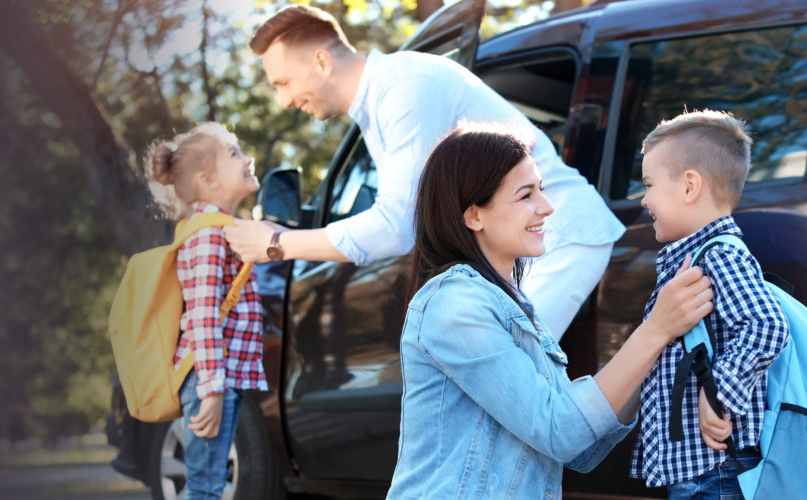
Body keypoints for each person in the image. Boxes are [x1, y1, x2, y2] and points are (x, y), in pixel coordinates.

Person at [222, 5, 624, 336]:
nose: (285, 99)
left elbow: (396, 225)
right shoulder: (381, 102)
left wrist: (277, 242)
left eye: (284, 82)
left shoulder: (404, 89)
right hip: (523, 250)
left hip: (558, 238)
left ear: (322, 61)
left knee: (506, 391)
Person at [386, 125, 715, 499]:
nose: (546, 206)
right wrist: (654, 330)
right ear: (474, 215)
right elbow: (560, 431)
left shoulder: (509, 302)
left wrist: (663, 342)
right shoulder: (455, 304)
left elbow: (581, 447)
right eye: (526, 195)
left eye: (541, 189)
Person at [629, 110, 791, 500]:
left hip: (714, 471)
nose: (644, 198)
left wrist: (717, 393)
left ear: (689, 187)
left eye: (649, 184)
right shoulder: (694, 256)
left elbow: (767, 325)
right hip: (700, 468)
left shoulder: (718, 256)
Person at [142, 123, 270, 500]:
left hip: (216, 378)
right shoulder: (208, 234)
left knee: (209, 482)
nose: (246, 158)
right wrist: (212, 389)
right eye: (233, 153)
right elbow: (202, 314)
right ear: (208, 179)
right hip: (210, 379)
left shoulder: (218, 229)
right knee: (206, 485)